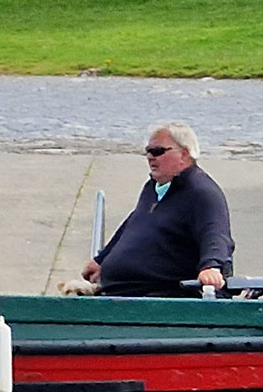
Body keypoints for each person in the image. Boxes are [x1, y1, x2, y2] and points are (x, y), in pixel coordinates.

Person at [82, 122, 233, 297]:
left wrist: (211, 267)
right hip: (121, 291)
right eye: (148, 151)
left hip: (162, 294)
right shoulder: (153, 188)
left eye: (158, 151)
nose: (150, 157)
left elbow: (216, 234)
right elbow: (134, 224)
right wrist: (101, 260)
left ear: (184, 154)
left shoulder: (202, 192)